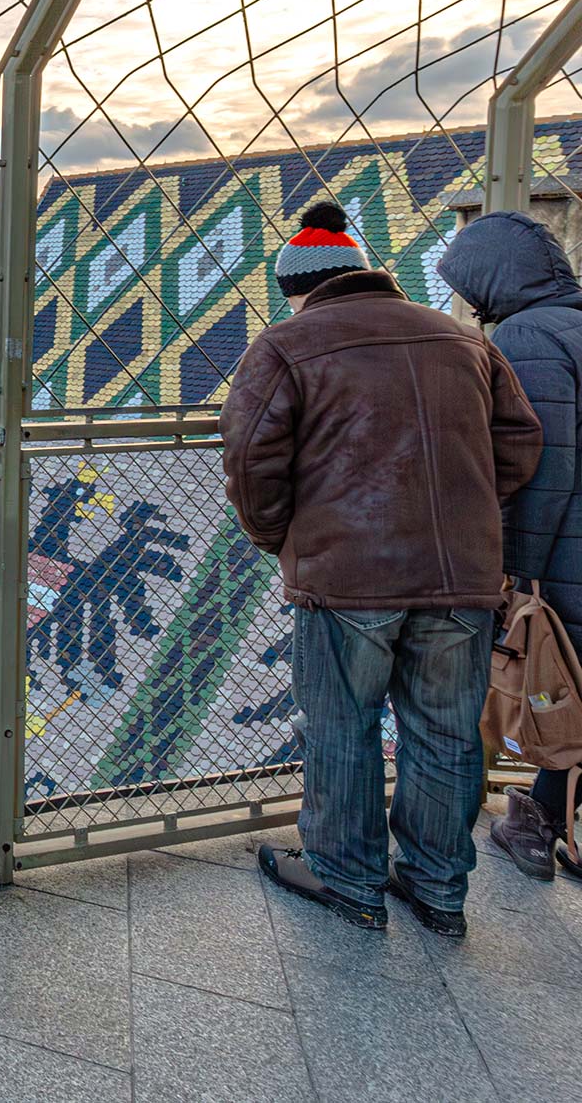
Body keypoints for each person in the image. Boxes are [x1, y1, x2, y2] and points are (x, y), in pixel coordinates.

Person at [221, 201, 541, 938]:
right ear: (365, 271)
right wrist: (467, 509)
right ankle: (437, 887)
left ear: (299, 287)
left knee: (341, 726)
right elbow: (521, 443)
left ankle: (348, 877)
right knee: (445, 731)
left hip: (346, 579)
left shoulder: (287, 344)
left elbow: (250, 461)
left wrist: (281, 536)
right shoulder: (462, 340)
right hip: (462, 574)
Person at [437, 209, 582, 882]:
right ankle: (554, 819)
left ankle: (536, 826)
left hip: (565, 556)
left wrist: (517, 573)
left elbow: (539, 467)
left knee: (554, 686)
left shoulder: (526, 336)